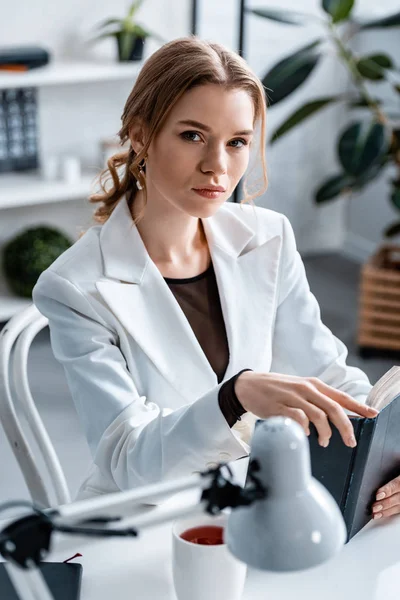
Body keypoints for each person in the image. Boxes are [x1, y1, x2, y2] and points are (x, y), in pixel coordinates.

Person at [33, 36, 384, 511]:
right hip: (146, 517)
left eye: (237, 142)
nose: (218, 166)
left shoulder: (268, 238)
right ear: (140, 135)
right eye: (193, 135)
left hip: (255, 500)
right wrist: (234, 398)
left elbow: (328, 375)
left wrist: (388, 452)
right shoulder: (75, 286)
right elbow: (128, 459)